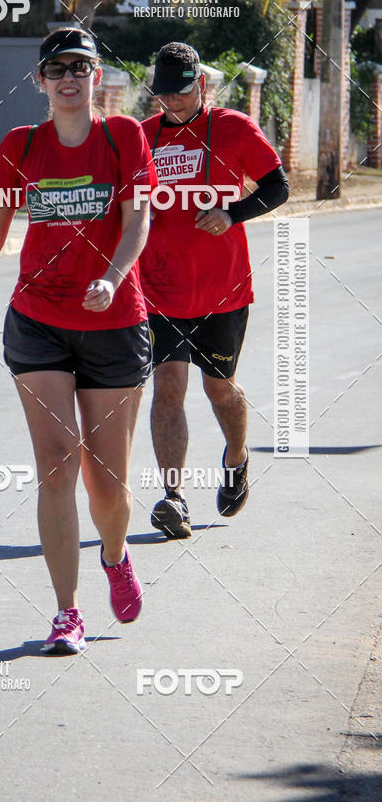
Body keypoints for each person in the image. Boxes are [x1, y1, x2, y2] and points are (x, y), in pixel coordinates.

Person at [0, 27, 157, 653]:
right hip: (38, 321)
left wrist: (113, 280)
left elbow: (139, 215)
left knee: (107, 481)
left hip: (114, 324)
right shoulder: (21, 145)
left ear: (95, 78)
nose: (68, 78)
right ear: (40, 81)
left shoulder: (124, 137)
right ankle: (67, 612)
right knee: (57, 462)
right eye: (56, 69)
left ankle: (114, 555)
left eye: (79, 68)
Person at [140, 42, 289, 538]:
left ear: (200, 85)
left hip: (223, 290)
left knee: (219, 389)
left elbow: (278, 186)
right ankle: (173, 497)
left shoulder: (234, 128)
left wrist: (232, 214)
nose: (172, 103)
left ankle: (237, 457)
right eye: (164, 94)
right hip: (159, 289)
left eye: (181, 92)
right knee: (168, 389)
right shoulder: (143, 137)